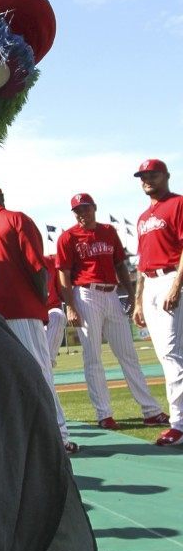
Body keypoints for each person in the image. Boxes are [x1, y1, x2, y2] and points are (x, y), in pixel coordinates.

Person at [0, 184, 79, 454]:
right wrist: (41, 299)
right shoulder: (16, 219)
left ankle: (12, 441)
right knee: (40, 372)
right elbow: (37, 267)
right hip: (21, 308)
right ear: (1, 199)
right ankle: (58, 437)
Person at [56, 192, 167, 431]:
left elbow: (119, 264)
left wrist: (131, 292)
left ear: (94, 208)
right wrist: (71, 307)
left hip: (112, 294)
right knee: (93, 357)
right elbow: (63, 272)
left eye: (85, 208)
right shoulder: (68, 237)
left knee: (128, 354)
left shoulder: (108, 231)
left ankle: (150, 411)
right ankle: (104, 414)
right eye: (77, 210)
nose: (82, 213)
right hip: (85, 293)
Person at [132, 159, 183, 445]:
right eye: (143, 175)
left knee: (171, 356)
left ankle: (178, 424)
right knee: (172, 355)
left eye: (153, 174)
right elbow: (141, 262)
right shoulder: (142, 217)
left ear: (166, 176)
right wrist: (138, 300)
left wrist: (176, 285)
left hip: (169, 278)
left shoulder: (178, 204)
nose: (147, 179)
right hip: (150, 284)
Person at [44, 254, 67, 366]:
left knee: (58, 316)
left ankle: (48, 362)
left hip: (50, 311)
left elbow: (61, 291)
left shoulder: (51, 261)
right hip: (32, 314)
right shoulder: (20, 263)